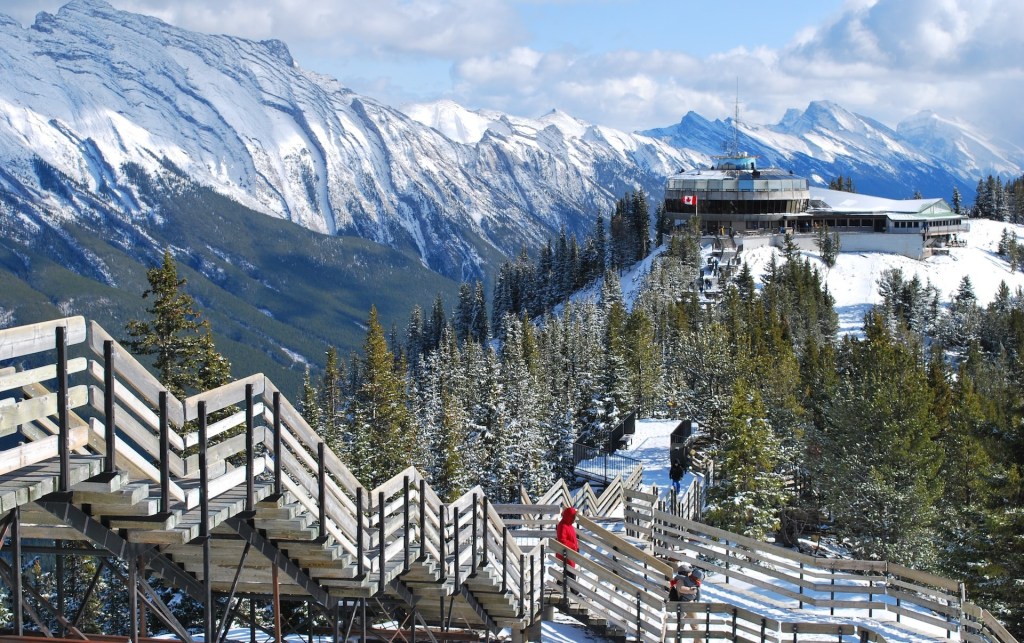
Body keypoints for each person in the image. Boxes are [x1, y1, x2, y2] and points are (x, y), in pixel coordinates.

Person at [668, 563, 704, 643]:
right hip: (687, 605)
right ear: (684, 573)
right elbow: (681, 589)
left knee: (681, 626)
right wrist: (692, 590)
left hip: (685, 605)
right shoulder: (680, 580)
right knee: (695, 626)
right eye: (688, 572)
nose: (689, 573)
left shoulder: (684, 580)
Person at [555, 506, 580, 594]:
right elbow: (562, 540)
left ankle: (559, 584)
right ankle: (575, 592)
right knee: (570, 571)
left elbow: (572, 537)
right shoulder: (563, 525)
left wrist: (576, 546)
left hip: (570, 552)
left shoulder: (569, 525)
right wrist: (573, 546)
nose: (574, 519)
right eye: (573, 517)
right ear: (569, 516)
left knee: (567, 571)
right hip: (564, 552)